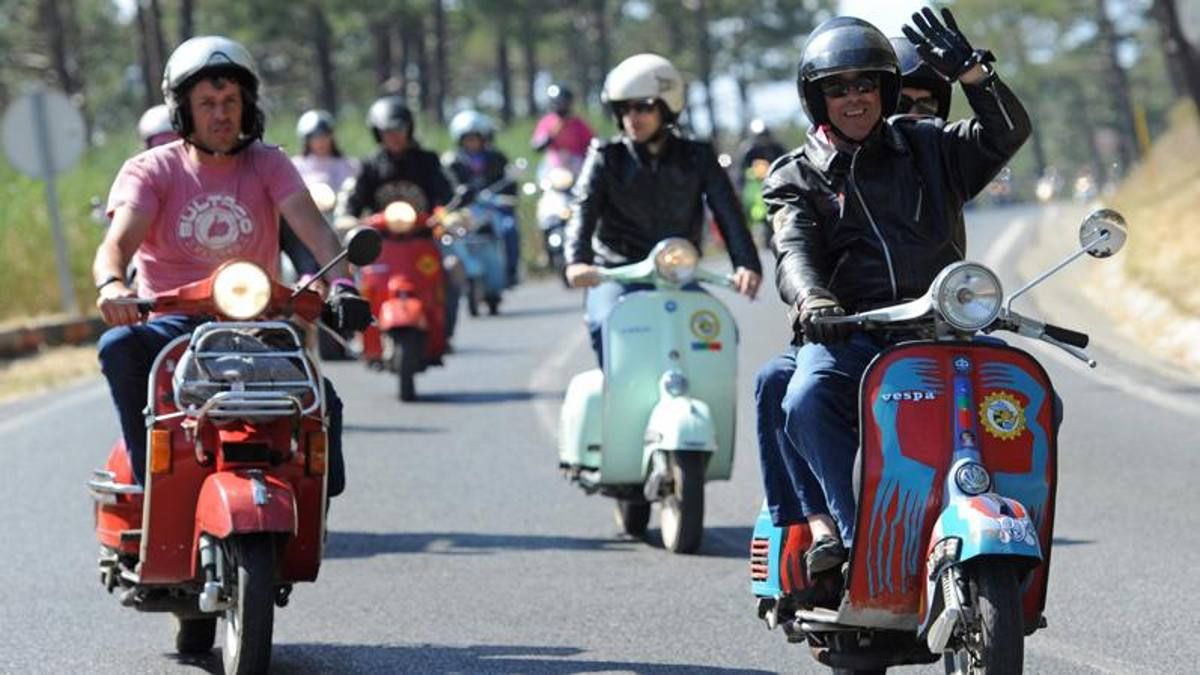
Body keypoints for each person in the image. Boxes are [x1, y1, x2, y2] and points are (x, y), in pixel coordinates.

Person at [756, 10, 1029, 577]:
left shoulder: (930, 145)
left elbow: (1006, 134)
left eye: (865, 84)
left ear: (884, 89)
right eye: (837, 88)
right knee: (804, 396)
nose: (853, 98)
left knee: (1029, 396)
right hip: (852, 333)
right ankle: (852, 537)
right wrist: (813, 299)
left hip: (942, 327)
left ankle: (1011, 528)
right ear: (817, 99)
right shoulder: (795, 176)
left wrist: (976, 79)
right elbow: (793, 250)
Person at [94, 36, 369, 496]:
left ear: (247, 107)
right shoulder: (151, 170)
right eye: (207, 103)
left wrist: (343, 285)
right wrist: (113, 285)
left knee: (323, 410)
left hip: (257, 327)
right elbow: (115, 245)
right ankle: (151, 484)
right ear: (183, 110)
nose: (221, 115)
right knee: (118, 346)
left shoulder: (270, 163)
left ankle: (303, 512)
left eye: (230, 102)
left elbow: (319, 235)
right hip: (171, 327)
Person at [564, 53, 763, 364]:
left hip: (676, 275)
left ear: (667, 106)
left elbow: (727, 211)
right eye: (624, 108)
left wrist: (747, 264)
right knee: (607, 326)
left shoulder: (697, 156)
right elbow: (583, 208)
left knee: (718, 331)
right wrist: (577, 262)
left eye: (643, 106)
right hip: (618, 273)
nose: (632, 116)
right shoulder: (605, 157)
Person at [341, 96, 458, 339]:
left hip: (423, 240)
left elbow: (448, 196)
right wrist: (348, 219)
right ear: (378, 133)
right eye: (387, 131)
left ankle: (443, 329)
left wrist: (450, 215)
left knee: (453, 267)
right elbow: (353, 202)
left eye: (399, 129)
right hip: (379, 245)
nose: (394, 136)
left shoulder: (428, 161)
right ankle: (352, 334)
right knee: (345, 274)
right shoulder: (370, 165)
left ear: (409, 129)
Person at [446, 109, 521, 287]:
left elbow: (510, 185)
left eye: (475, 138)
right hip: (466, 210)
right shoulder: (452, 162)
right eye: (468, 138)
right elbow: (448, 189)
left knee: (509, 227)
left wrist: (505, 198)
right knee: (449, 232)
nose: (472, 142)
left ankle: (511, 271)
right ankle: (455, 278)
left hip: (494, 207)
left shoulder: (497, 158)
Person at [530, 83, 595, 176]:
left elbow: (592, 144)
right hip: (553, 163)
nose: (560, 105)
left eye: (563, 102)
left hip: (576, 163)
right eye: (558, 102)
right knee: (543, 174)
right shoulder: (547, 121)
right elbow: (537, 145)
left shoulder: (578, 123)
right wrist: (551, 134)